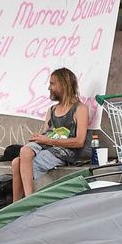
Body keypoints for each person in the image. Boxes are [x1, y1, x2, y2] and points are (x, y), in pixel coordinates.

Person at [12, 67, 89, 201]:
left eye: (52, 83)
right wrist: (39, 138)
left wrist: (48, 140)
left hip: (63, 152)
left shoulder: (80, 109)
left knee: (17, 163)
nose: (49, 87)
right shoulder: (52, 110)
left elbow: (79, 141)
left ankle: (26, 201)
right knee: (22, 153)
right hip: (47, 145)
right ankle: (16, 205)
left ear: (63, 85)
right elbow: (46, 135)